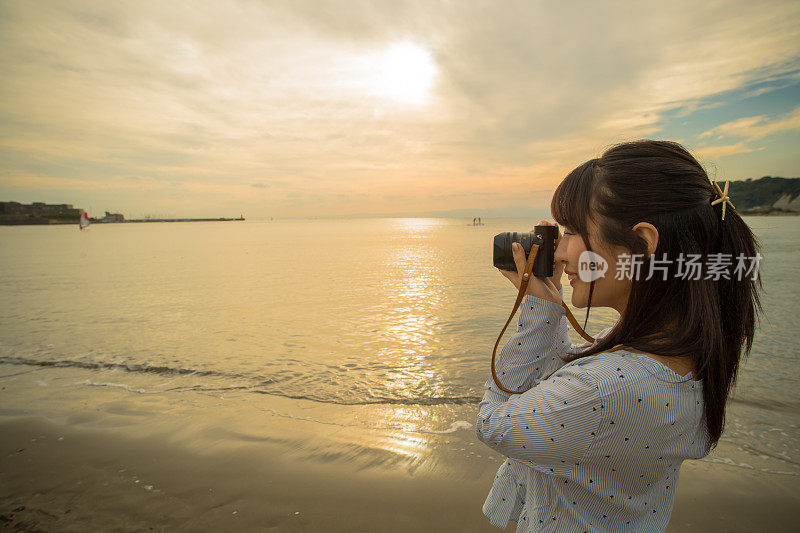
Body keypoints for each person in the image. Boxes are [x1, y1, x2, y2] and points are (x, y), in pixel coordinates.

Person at [475, 140, 762, 532]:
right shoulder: (673, 354)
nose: (559, 253)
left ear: (641, 244)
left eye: (574, 232)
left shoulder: (605, 389)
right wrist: (548, 302)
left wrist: (540, 311)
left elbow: (494, 423)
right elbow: (555, 383)